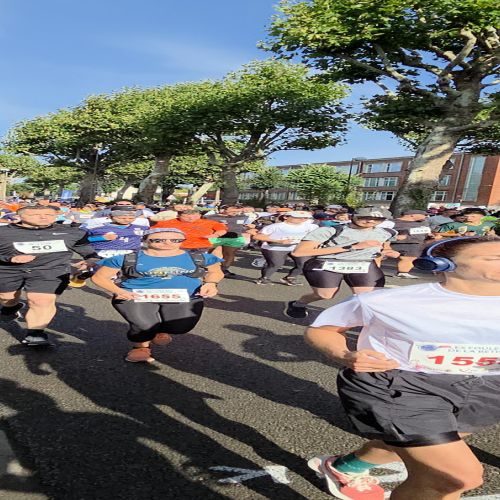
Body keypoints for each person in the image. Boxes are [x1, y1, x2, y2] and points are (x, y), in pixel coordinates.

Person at [305, 236, 500, 500]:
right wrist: (344, 354)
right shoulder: (388, 301)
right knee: (455, 477)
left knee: (435, 441)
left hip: (488, 386)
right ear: (442, 263)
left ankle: (346, 467)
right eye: (494, 258)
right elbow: (322, 330)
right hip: (402, 385)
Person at [91, 228, 224, 363]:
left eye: (175, 240)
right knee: (144, 325)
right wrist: (119, 291)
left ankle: (158, 331)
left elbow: (215, 272)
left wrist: (211, 283)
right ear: (145, 240)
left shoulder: (199, 257)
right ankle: (141, 348)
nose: (167, 243)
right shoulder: (127, 258)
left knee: (180, 327)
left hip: (185, 296)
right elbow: (99, 277)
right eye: (158, 240)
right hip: (135, 296)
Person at [0, 205, 98, 345]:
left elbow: (88, 251)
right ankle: (10, 307)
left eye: (49, 214)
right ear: (19, 216)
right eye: (36, 215)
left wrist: (90, 260)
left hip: (52, 270)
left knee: (41, 301)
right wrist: (10, 258)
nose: (43, 217)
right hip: (8, 270)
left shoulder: (73, 232)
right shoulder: (3, 232)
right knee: (7, 297)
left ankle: (35, 334)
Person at [285, 208, 399, 319]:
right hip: (327, 263)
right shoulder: (330, 231)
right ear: (352, 216)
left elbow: (383, 247)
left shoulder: (388, 233)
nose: (370, 221)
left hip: (364, 264)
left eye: (378, 219)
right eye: (364, 217)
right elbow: (298, 252)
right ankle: (298, 304)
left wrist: (387, 252)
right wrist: (352, 247)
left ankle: (356, 322)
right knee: (325, 295)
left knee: (368, 298)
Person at [252, 211, 318, 285]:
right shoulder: (275, 226)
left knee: (305, 264)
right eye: (298, 218)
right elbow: (257, 236)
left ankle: (290, 278)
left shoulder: (311, 226)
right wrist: (279, 241)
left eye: (305, 218)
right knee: (276, 264)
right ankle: (264, 278)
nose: (302, 219)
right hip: (275, 247)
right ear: (286, 217)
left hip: (297, 247)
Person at [151, 209, 227, 252]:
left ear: (200, 215)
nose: (191, 218)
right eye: (186, 217)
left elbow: (222, 229)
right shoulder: (168, 222)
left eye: (195, 216)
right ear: (178, 216)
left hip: (202, 247)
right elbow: (152, 231)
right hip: (177, 247)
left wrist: (215, 235)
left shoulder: (209, 222)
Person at [205, 206, 250, 277]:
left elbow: (249, 225)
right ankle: (201, 266)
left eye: (238, 211)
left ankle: (224, 269)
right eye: (233, 211)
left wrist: (248, 228)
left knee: (229, 254)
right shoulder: (211, 217)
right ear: (224, 210)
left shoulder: (244, 216)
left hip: (234, 237)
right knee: (206, 251)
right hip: (216, 236)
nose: (235, 213)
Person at [391, 209, 431, 278]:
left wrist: (430, 235)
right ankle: (373, 271)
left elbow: (427, 232)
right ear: (412, 215)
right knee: (380, 256)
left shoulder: (423, 223)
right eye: (424, 215)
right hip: (394, 243)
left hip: (415, 244)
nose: (426, 216)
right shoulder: (392, 222)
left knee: (409, 258)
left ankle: (403, 273)